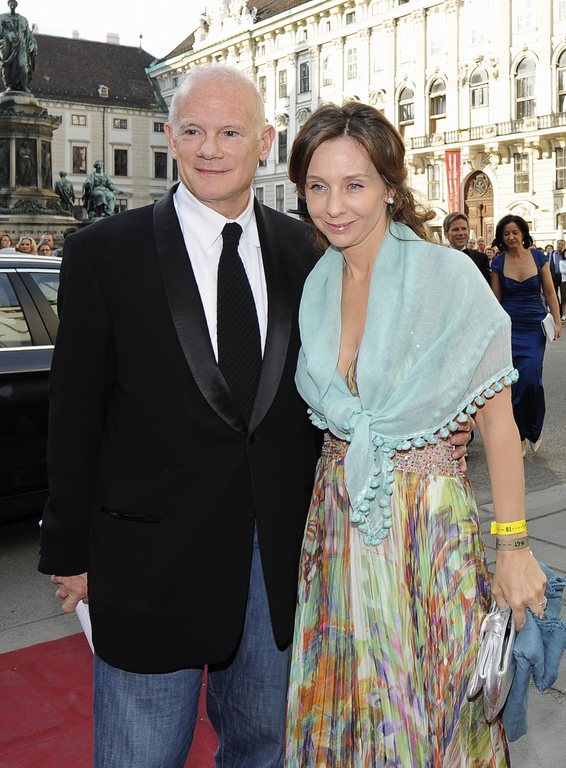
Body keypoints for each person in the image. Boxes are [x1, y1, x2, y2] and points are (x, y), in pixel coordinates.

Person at [38, 66, 472, 768]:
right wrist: (68, 556)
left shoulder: (311, 252)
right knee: (138, 756)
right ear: (170, 136)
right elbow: (75, 414)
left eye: (230, 132)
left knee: (263, 753)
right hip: (148, 566)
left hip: (279, 566)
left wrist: (438, 424)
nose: (210, 148)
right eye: (193, 131)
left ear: (265, 141)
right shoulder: (103, 253)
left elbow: (368, 371)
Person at [284, 101, 547, 767]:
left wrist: (513, 547)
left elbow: (497, 421)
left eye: (354, 184)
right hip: (337, 521)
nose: (334, 205)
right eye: (317, 186)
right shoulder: (316, 287)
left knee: (438, 707)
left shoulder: (446, 276)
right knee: (347, 709)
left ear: (389, 186)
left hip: (430, 528)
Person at [490, 216, 561, 456]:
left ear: (523, 234)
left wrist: (557, 321)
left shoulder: (538, 257)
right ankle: (520, 434)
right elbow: (496, 300)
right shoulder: (498, 261)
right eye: (506, 233)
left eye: (515, 232)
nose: (511, 237)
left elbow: (549, 292)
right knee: (515, 382)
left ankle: (533, 428)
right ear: (501, 237)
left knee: (532, 379)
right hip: (509, 328)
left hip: (533, 327)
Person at [443, 212, 491, 283]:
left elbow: (487, 286)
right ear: (446, 234)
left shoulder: (480, 258)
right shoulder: (440, 259)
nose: (461, 233)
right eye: (455, 229)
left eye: (464, 229)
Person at [549, 238, 564, 308]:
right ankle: (558, 308)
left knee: (563, 293)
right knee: (554, 293)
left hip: (562, 276)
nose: (560, 245)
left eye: (562, 244)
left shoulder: (564, 254)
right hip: (554, 275)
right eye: (559, 244)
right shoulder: (552, 254)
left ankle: (563, 309)